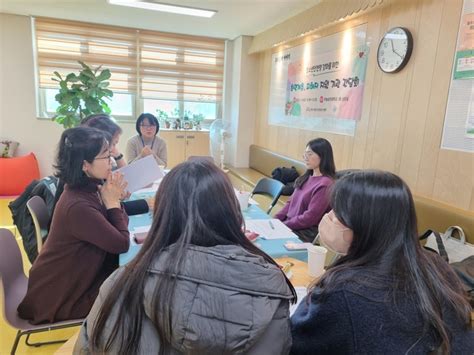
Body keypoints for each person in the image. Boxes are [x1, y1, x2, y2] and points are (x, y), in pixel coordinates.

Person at [74, 160, 296, 354]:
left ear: (162, 214)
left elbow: (88, 347)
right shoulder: (271, 290)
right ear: (232, 213)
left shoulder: (121, 283)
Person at [290, 171, 473, 354]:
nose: (329, 217)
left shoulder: (344, 291)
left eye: (337, 212)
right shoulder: (437, 266)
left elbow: (295, 341)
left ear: (364, 224)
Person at [18, 127, 130, 324]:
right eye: (105, 156)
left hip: (74, 281)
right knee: (135, 292)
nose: (111, 161)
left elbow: (121, 225)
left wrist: (113, 201)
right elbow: (121, 243)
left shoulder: (88, 189)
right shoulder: (77, 205)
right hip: (62, 298)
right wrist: (113, 204)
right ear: (85, 165)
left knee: (131, 277)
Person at [275, 138, 335, 242]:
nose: (305, 158)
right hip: (290, 225)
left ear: (323, 156)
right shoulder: (306, 177)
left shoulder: (325, 184)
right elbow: (290, 203)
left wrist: (283, 225)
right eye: (305, 154)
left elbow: (309, 218)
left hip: (304, 232)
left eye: (310, 154)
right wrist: (275, 220)